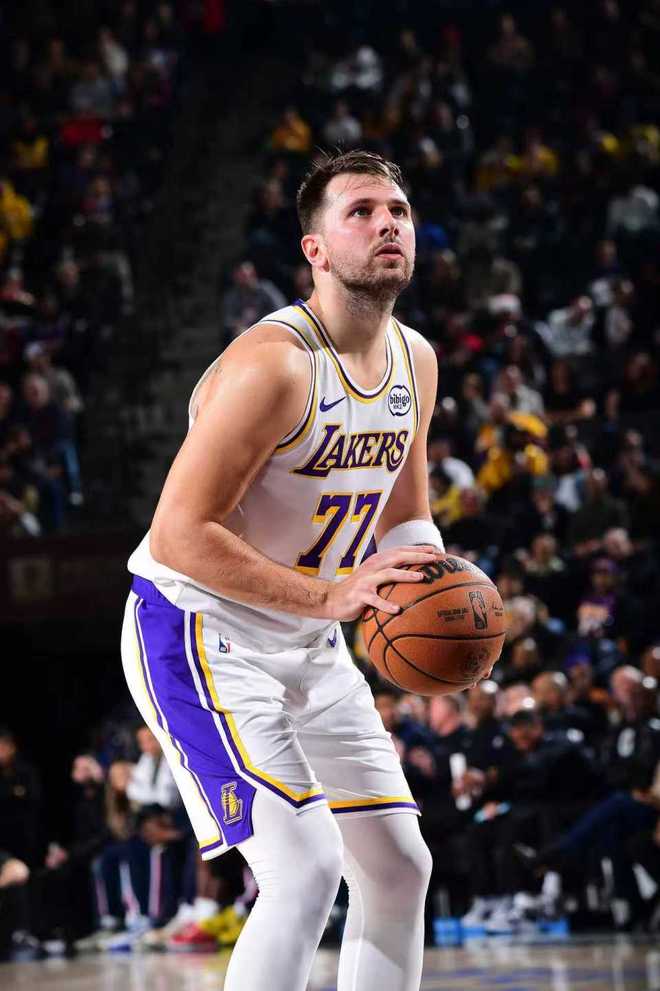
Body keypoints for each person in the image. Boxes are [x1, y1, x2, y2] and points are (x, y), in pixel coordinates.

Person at [121, 150, 491, 991]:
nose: (387, 223)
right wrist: (332, 594)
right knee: (304, 868)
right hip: (197, 630)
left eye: (398, 210)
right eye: (360, 211)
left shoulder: (415, 360)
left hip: (310, 639)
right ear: (315, 250)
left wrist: (434, 590)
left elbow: (405, 511)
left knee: (399, 866)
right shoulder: (275, 363)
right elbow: (178, 533)